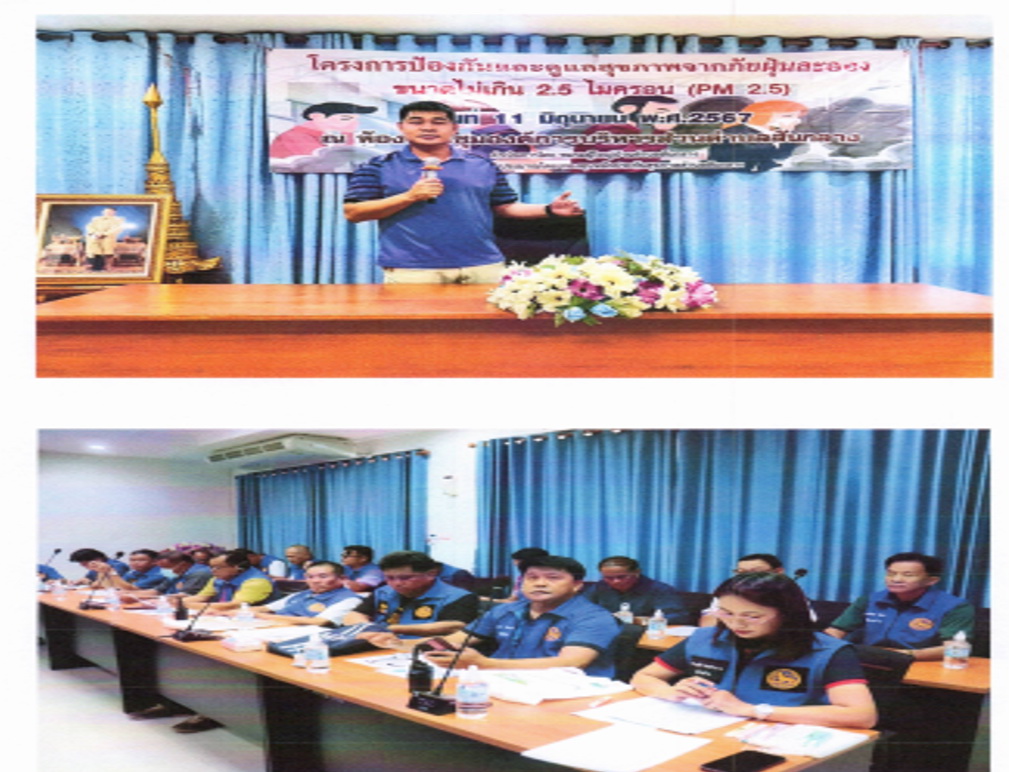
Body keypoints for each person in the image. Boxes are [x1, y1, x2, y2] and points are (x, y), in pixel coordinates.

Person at [343, 100, 584, 284]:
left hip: (483, 266)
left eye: (438, 122)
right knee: (418, 334)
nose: (428, 127)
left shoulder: (482, 164)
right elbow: (354, 212)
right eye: (417, 121)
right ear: (401, 128)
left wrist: (548, 210)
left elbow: (505, 207)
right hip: (413, 268)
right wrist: (409, 197)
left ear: (454, 129)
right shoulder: (377, 166)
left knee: (489, 331)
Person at [631, 572, 876, 729]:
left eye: (753, 616)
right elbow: (643, 677)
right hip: (710, 731)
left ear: (786, 614)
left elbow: (862, 715)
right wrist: (671, 691)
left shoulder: (828, 651)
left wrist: (753, 710)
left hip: (780, 740)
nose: (737, 624)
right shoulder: (705, 638)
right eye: (726, 613)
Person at [418, 555, 621, 678]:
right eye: (532, 578)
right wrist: (405, 645)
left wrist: (486, 664)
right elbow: (457, 640)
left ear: (577, 585)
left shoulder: (594, 617)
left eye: (553, 578)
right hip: (500, 680)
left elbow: (572, 662)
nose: (540, 583)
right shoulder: (505, 610)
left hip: (567, 691)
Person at [823, 552, 975, 662]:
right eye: (891, 574)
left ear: (931, 580)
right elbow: (835, 632)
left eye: (908, 575)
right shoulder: (870, 600)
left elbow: (955, 649)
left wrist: (902, 655)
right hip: (869, 661)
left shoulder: (955, 606)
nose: (896, 579)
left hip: (919, 664)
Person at [342, 551, 479, 639]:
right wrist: (368, 628)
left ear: (431, 574)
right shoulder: (383, 591)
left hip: (422, 648)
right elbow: (354, 615)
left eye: (405, 578)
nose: (396, 583)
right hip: (377, 643)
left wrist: (389, 629)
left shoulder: (458, 596)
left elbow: (454, 626)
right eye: (389, 578)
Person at [582, 556, 693, 624]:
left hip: (643, 633)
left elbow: (679, 616)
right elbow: (582, 608)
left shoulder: (659, 589)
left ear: (637, 572)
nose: (615, 581)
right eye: (608, 578)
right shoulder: (600, 587)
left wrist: (639, 620)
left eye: (621, 577)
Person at [252, 561, 361, 626]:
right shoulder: (302, 594)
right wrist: (244, 611)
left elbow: (319, 622)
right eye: (310, 577)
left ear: (342, 579)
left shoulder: (349, 600)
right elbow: (265, 608)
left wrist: (261, 616)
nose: (315, 581)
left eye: (323, 576)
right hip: (272, 626)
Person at [699, 553, 791, 626]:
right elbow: (708, 622)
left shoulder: (789, 594)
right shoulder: (729, 592)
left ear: (778, 572)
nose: (747, 576)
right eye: (741, 572)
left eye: (755, 571)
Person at [182, 550, 281, 613]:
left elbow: (232, 606)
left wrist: (185, 604)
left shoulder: (257, 582)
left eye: (218, 567)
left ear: (238, 567)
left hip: (254, 620)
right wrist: (179, 602)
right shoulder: (218, 578)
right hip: (224, 617)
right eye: (211, 567)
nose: (212, 571)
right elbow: (202, 597)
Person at [117, 551, 213, 603]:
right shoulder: (176, 573)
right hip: (166, 605)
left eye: (165, 567)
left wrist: (141, 599)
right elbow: (156, 591)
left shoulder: (199, 573)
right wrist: (130, 594)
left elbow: (184, 595)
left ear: (183, 564)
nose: (162, 571)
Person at [84, 207, 125, 271]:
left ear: (114, 213)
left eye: (110, 212)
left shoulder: (118, 220)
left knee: (108, 253)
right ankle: (95, 265)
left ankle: (108, 265)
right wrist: (95, 233)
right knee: (95, 252)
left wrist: (104, 234)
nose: (108, 213)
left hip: (108, 238)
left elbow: (117, 229)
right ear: (103, 212)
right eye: (106, 212)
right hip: (96, 237)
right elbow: (89, 226)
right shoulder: (96, 219)